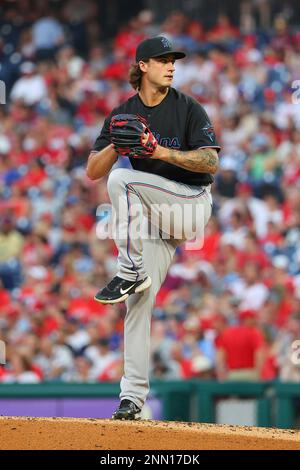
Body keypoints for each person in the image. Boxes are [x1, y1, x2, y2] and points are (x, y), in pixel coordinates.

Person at [86, 36, 220, 419]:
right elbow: (92, 170)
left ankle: (128, 270)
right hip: (155, 216)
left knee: (121, 182)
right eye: (163, 60)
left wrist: (157, 150)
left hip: (190, 205)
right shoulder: (122, 113)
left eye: (174, 60)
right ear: (143, 65)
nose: (172, 65)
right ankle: (132, 399)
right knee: (138, 303)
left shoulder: (189, 108)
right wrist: (116, 143)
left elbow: (210, 163)